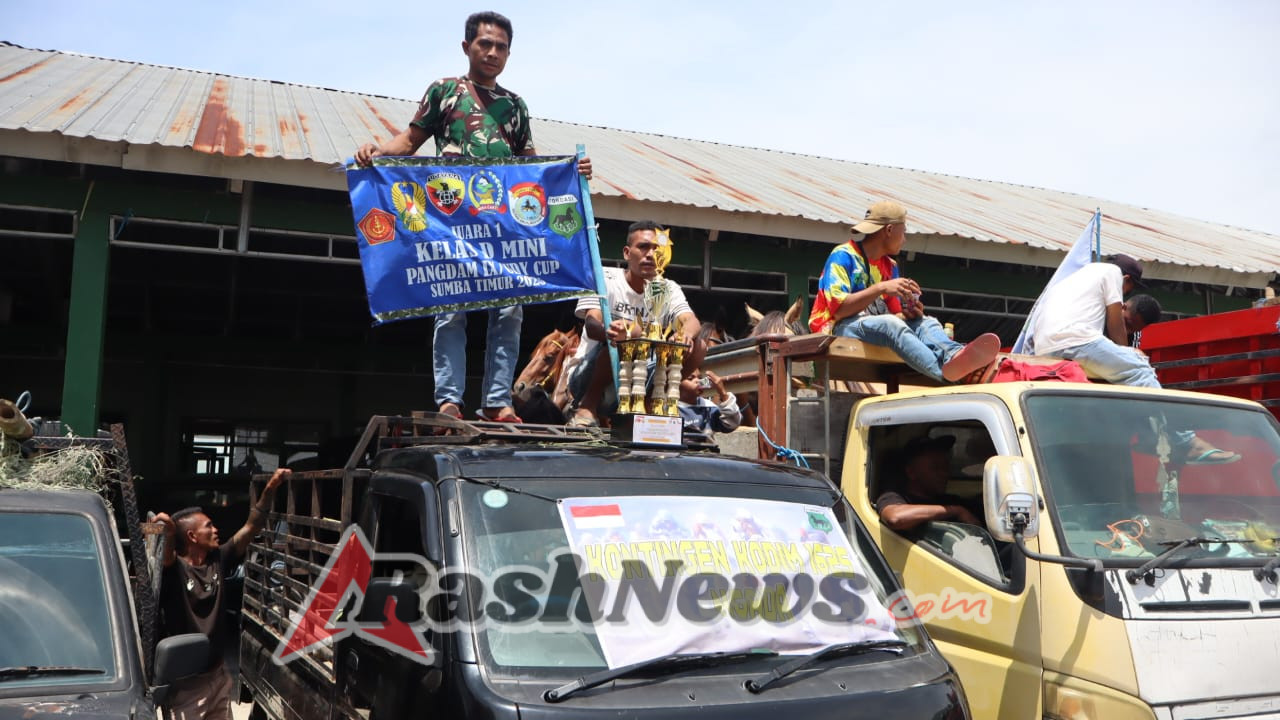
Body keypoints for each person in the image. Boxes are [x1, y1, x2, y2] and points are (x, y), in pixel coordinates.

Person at [354, 11, 592, 424]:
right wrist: (377, 154)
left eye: (501, 47)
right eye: (485, 44)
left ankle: (497, 402)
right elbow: (410, 140)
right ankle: (449, 400)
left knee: (510, 309)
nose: (493, 52)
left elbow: (530, 166)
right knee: (451, 306)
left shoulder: (514, 106)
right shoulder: (445, 91)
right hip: (452, 221)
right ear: (467, 47)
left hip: (502, 224)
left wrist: (569, 174)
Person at [1031, 255, 1239, 463]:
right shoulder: (1110, 272)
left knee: (1127, 377)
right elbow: (1115, 323)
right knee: (1140, 369)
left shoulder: (1072, 278)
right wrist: (1127, 353)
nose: (1125, 292)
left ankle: (1150, 436)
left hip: (1047, 348)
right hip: (1073, 342)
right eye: (1129, 288)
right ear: (1127, 279)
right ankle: (1185, 442)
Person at [809, 200, 1000, 383]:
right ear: (889, 230)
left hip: (876, 326)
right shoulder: (843, 255)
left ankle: (954, 355)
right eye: (904, 231)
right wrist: (880, 288)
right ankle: (952, 377)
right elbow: (839, 310)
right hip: (837, 328)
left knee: (927, 321)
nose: (905, 239)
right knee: (890, 324)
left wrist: (911, 313)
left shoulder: (890, 266)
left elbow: (895, 316)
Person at [154, 467, 290, 719]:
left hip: (218, 676)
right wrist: (169, 532)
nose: (216, 529)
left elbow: (252, 526)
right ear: (192, 536)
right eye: (209, 526)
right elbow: (166, 556)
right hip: (187, 687)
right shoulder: (174, 571)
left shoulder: (219, 559)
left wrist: (271, 487)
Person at [565, 220, 702, 426]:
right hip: (589, 376)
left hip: (640, 377)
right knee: (623, 342)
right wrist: (618, 333)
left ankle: (649, 404)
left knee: (699, 346)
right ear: (627, 253)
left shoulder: (667, 288)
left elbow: (690, 320)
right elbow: (593, 326)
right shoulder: (603, 277)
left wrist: (686, 335)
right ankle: (587, 405)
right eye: (643, 247)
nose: (650, 254)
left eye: (657, 248)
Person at [877, 435, 983, 531]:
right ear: (911, 472)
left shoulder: (950, 500)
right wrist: (956, 511)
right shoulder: (894, 497)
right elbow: (895, 517)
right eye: (935, 467)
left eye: (945, 467)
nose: (944, 474)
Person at [678, 369, 741, 436]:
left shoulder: (708, 407)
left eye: (700, 378)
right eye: (690, 378)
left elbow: (732, 424)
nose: (698, 381)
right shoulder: (668, 407)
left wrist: (722, 393)